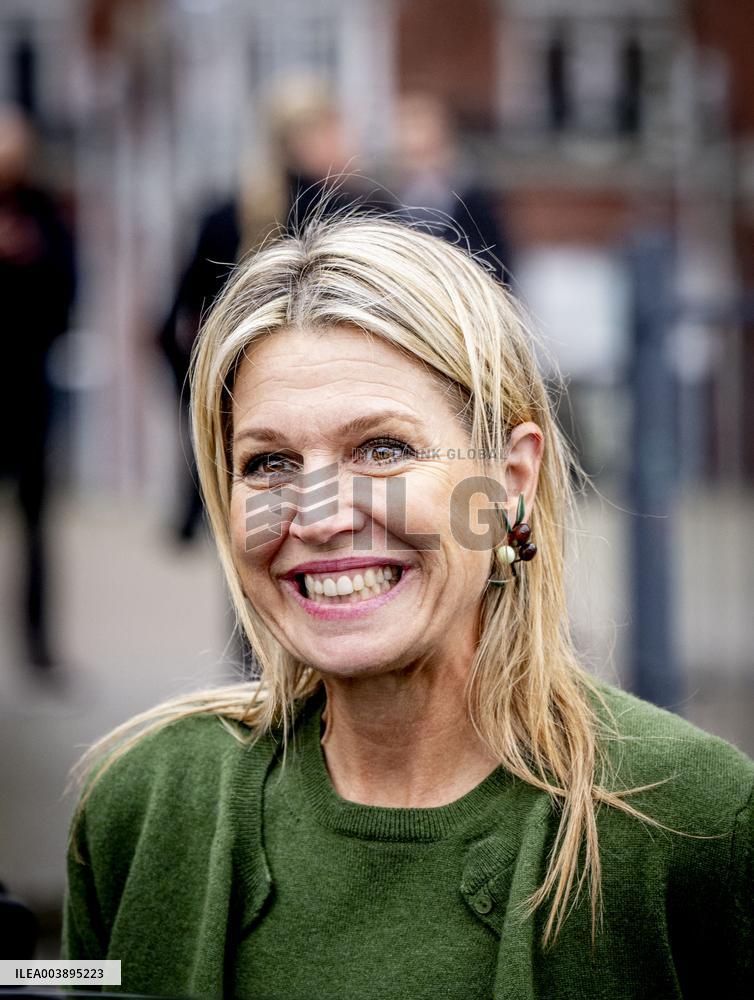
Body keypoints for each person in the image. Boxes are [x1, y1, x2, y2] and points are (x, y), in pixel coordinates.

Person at [63, 214, 752, 998]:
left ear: (509, 481)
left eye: (383, 450)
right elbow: (66, 977)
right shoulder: (144, 804)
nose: (318, 515)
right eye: (271, 462)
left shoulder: (697, 823)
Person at [158, 77, 382, 544]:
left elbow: (171, 328)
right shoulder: (360, 214)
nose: (348, 142)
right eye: (335, 129)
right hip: (342, 417)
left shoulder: (225, 215)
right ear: (304, 138)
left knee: (255, 556)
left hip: (254, 421)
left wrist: (210, 403)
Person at [0, 104, 76, 671]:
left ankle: (40, 649)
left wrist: (30, 256)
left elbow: (70, 292)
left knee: (37, 525)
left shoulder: (44, 212)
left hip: (28, 392)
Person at [390, 90, 514, 284]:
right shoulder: (384, 193)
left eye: (417, 122)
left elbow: (497, 258)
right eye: (404, 124)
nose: (409, 133)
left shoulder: (470, 191)